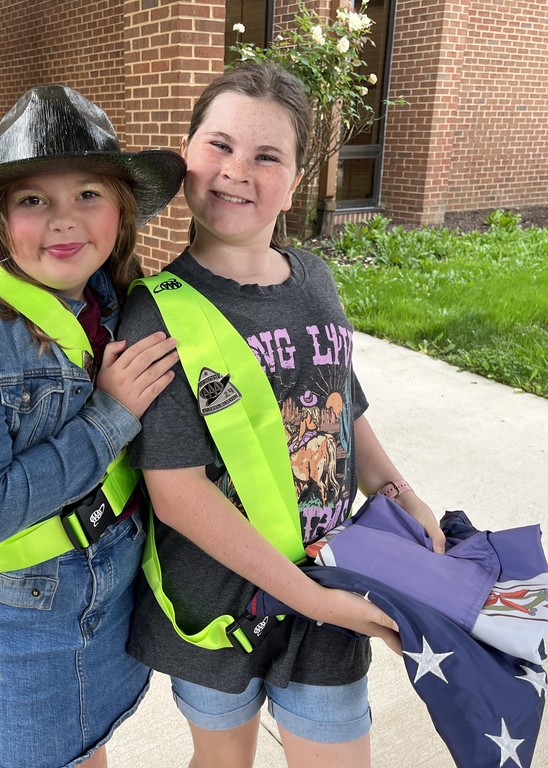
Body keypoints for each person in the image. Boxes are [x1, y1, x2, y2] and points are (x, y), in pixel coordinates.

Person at [119, 62, 447, 768]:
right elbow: (175, 494)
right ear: (187, 154)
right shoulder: (155, 311)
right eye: (220, 145)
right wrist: (318, 601)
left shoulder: (316, 281)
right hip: (217, 605)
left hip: (328, 580)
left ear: (296, 180)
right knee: (223, 760)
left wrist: (400, 493)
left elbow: (343, 409)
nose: (238, 170)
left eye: (268, 156)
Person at [0, 85, 186, 768]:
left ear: (122, 212)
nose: (65, 220)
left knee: (84, 747)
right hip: (14, 621)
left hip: (110, 589)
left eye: (88, 194)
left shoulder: (116, 299)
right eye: (34, 199)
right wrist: (110, 415)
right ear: (0, 219)